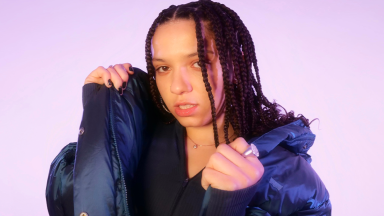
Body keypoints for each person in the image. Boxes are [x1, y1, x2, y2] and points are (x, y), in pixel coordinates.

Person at [46, 1, 332, 216]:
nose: (176, 87)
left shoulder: (291, 179)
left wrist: (228, 204)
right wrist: (100, 114)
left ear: (236, 63)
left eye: (198, 63)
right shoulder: (136, 140)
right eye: (163, 68)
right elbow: (71, 203)